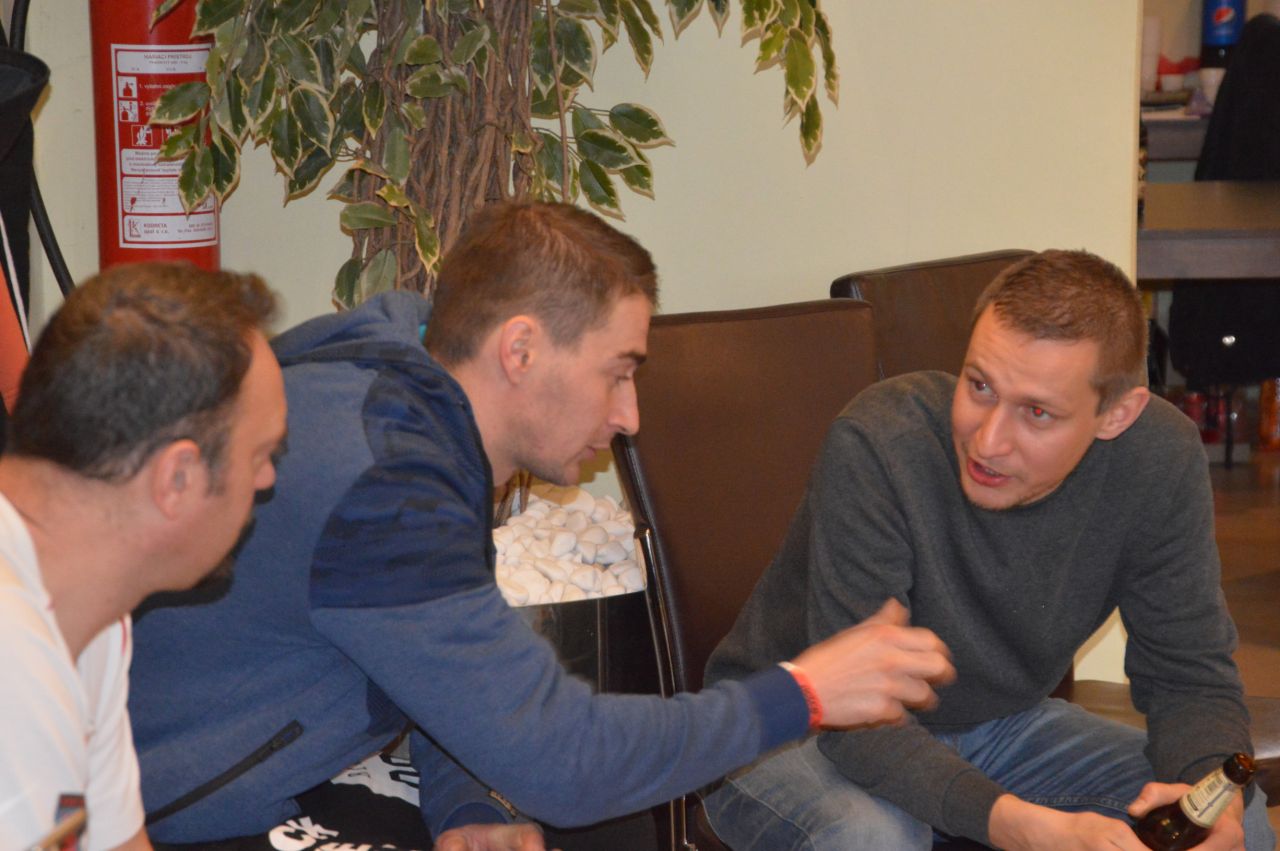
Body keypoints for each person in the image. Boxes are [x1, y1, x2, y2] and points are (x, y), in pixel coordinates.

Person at [127, 201, 955, 850]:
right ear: (519, 349)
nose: (629, 416)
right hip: (154, 811)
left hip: (253, 766)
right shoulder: (386, 480)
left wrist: (467, 803)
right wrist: (804, 691)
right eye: (617, 372)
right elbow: (566, 763)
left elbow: (440, 670)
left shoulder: (412, 384)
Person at [703, 249, 1277, 851]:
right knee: (872, 838)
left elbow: (1188, 677)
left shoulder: (1159, 459)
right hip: (795, 727)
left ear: (1116, 414)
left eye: (1037, 412)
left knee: (1237, 821)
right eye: (979, 385)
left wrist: (1212, 796)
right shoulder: (881, 444)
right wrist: (1017, 824)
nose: (988, 441)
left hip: (999, 727)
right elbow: (860, 721)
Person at [0, 263, 287, 851]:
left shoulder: (91, 614)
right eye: (260, 455)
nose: (267, 481)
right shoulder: (15, 659)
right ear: (177, 478)